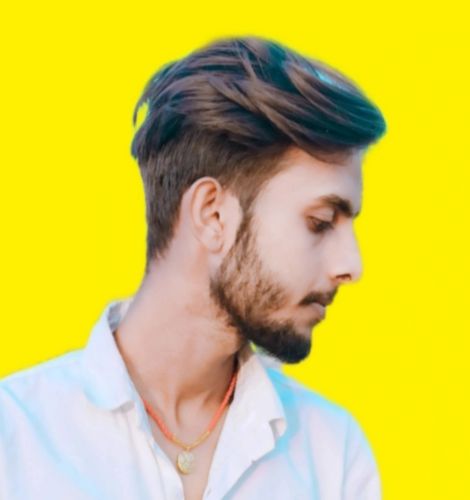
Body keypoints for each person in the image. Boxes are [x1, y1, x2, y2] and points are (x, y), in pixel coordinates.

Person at [0, 36, 386, 500]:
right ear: (213, 215)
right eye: (320, 223)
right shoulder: (16, 438)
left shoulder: (332, 455)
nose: (351, 266)